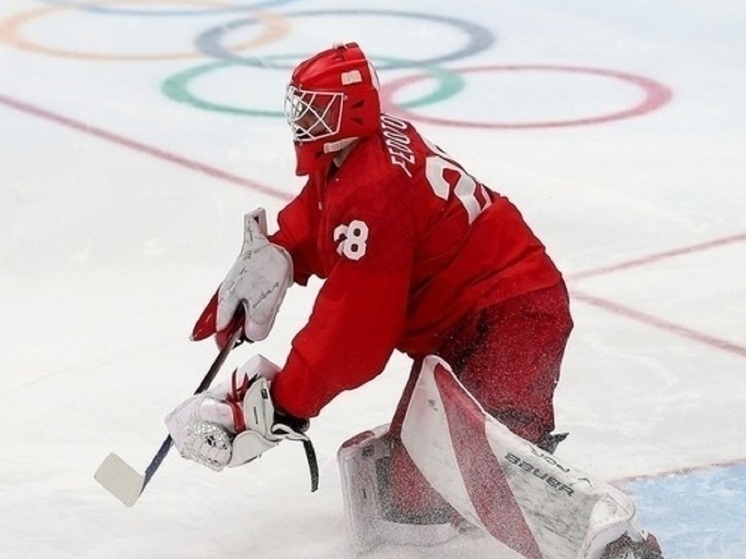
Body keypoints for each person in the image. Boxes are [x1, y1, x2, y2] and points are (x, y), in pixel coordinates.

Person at [165, 43, 662, 558]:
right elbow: (323, 212)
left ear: (353, 110)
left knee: (485, 474)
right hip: (468, 323)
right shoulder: (363, 150)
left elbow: (354, 335)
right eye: (302, 107)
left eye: (317, 109)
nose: (304, 121)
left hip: (512, 315)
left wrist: (281, 403)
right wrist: (284, 251)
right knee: (407, 503)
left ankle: (617, 548)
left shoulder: (372, 190)